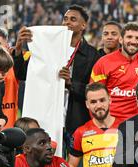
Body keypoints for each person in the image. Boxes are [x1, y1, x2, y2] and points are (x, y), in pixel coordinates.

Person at [13, 5, 101, 144]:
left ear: (83, 25)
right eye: (65, 19)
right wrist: (18, 47)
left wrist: (70, 83)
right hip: (47, 115)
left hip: (75, 119)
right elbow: (22, 74)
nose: (67, 22)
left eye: (73, 19)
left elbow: (95, 91)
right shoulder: (48, 48)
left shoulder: (92, 55)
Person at [91, 22, 138, 122]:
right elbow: (93, 95)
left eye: (137, 38)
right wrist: (100, 124)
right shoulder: (103, 63)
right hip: (110, 123)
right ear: (121, 39)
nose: (133, 41)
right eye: (129, 37)